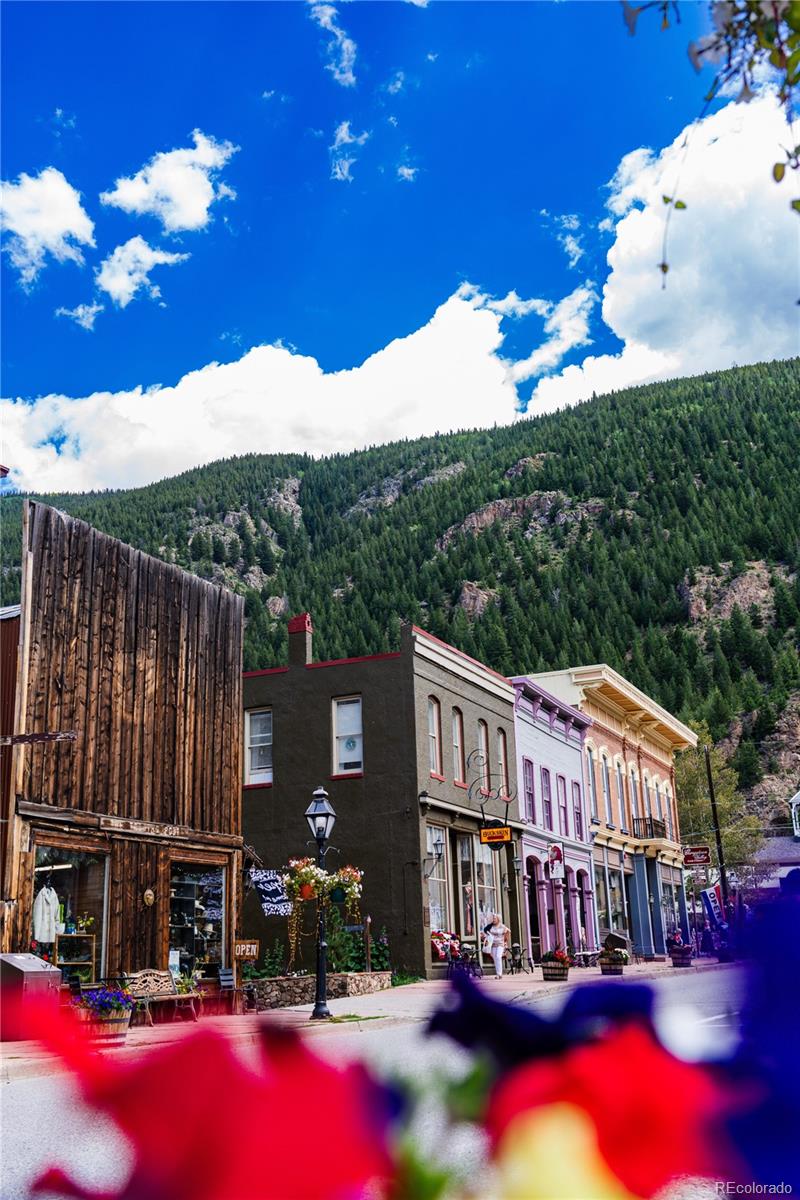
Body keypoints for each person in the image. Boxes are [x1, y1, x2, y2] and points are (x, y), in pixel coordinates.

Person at [483, 913, 510, 978]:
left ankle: (499, 974)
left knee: (498, 956)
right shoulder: (491, 926)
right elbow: (485, 930)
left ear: (498, 919)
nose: (494, 919)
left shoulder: (502, 926)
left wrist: (506, 941)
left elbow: (508, 932)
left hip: (500, 944)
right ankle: (498, 974)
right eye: (493, 918)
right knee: (495, 958)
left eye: (495, 918)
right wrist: (487, 936)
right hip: (492, 945)